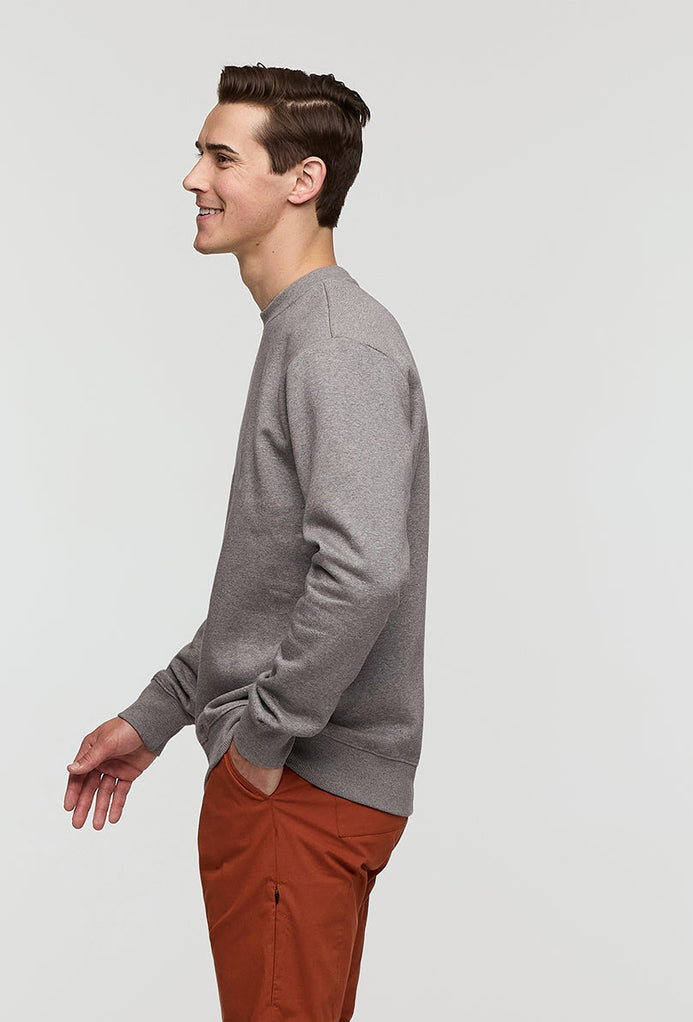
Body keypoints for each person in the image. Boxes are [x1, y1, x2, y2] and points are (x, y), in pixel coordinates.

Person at [64, 64, 430, 1022]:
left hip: (296, 791)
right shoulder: (304, 333)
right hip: (289, 789)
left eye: (222, 158)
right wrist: (158, 715)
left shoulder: (336, 345)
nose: (194, 178)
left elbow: (364, 572)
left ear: (303, 181)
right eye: (200, 154)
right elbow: (273, 587)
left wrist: (263, 740)